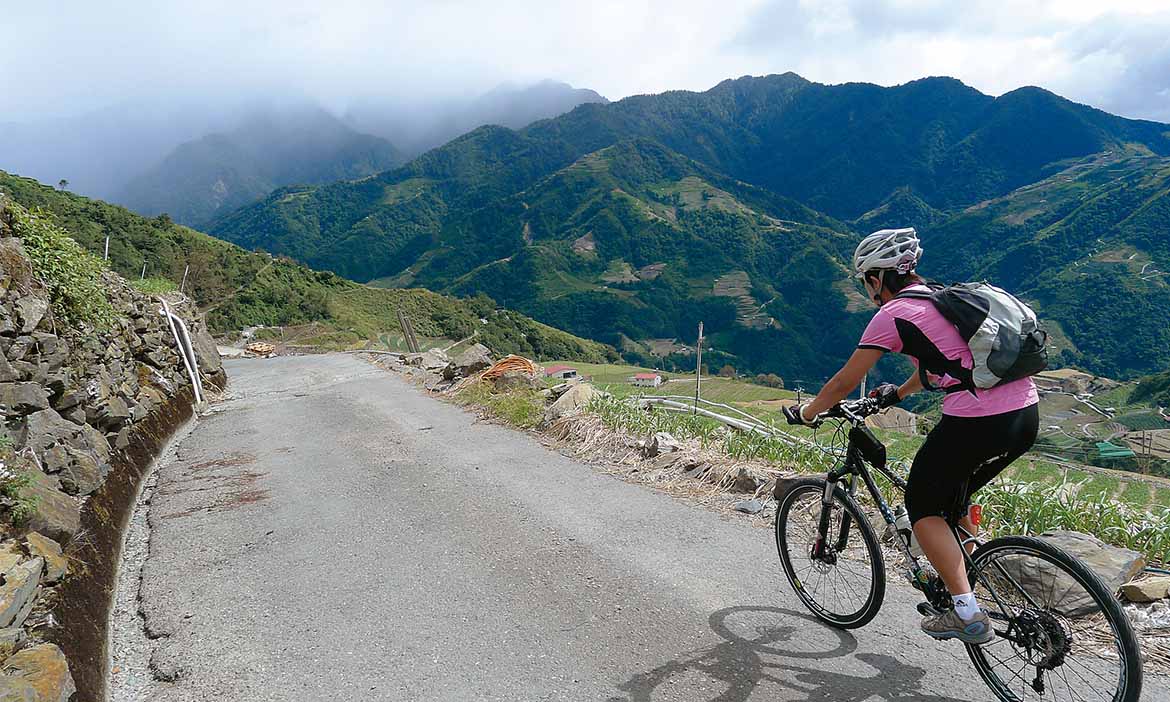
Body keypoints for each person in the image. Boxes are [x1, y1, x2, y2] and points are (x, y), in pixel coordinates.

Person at [784, 227, 1039, 645]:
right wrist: (895, 394)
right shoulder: (942, 299)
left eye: (866, 281)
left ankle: (967, 613)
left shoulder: (893, 315)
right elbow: (945, 366)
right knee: (954, 497)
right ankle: (963, 577)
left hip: (977, 420)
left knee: (921, 506)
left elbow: (843, 383)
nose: (868, 289)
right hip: (1025, 415)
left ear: (875, 278)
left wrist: (807, 412)